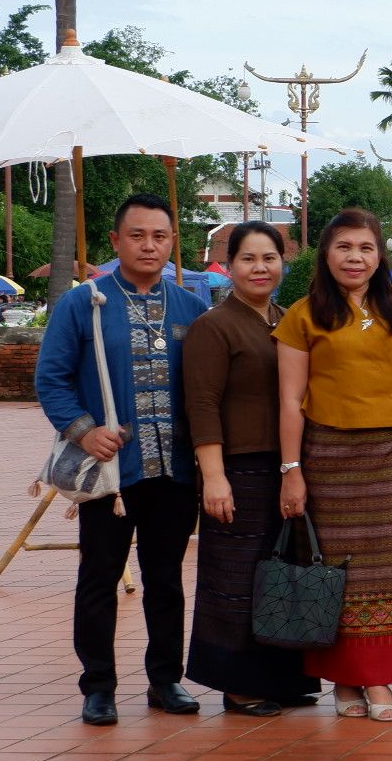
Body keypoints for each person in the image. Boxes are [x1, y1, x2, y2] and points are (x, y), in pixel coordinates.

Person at [35, 193, 211, 725]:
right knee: (99, 576)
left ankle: (165, 680)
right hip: (112, 475)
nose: (149, 245)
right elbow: (51, 378)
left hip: (174, 471)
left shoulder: (190, 308)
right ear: (115, 242)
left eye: (160, 236)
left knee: (165, 579)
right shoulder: (83, 303)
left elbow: (205, 389)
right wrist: (85, 432)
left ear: (172, 242)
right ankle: (98, 685)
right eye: (137, 235)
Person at [276, 208, 392, 721]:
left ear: (379, 255)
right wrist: (291, 469)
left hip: (391, 458)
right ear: (326, 253)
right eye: (344, 247)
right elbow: (290, 399)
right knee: (337, 572)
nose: (356, 257)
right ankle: (346, 680)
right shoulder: (302, 315)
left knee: (390, 573)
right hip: (329, 459)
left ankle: (379, 679)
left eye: (365, 248)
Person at [183, 221, 320, 716]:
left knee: (280, 573)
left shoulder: (287, 320)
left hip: (286, 466)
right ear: (230, 265)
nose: (260, 268)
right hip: (237, 467)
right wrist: (213, 475)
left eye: (269, 258)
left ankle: (281, 677)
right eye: (248, 259)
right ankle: (237, 683)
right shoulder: (213, 326)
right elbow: (201, 404)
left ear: (283, 263)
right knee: (235, 577)